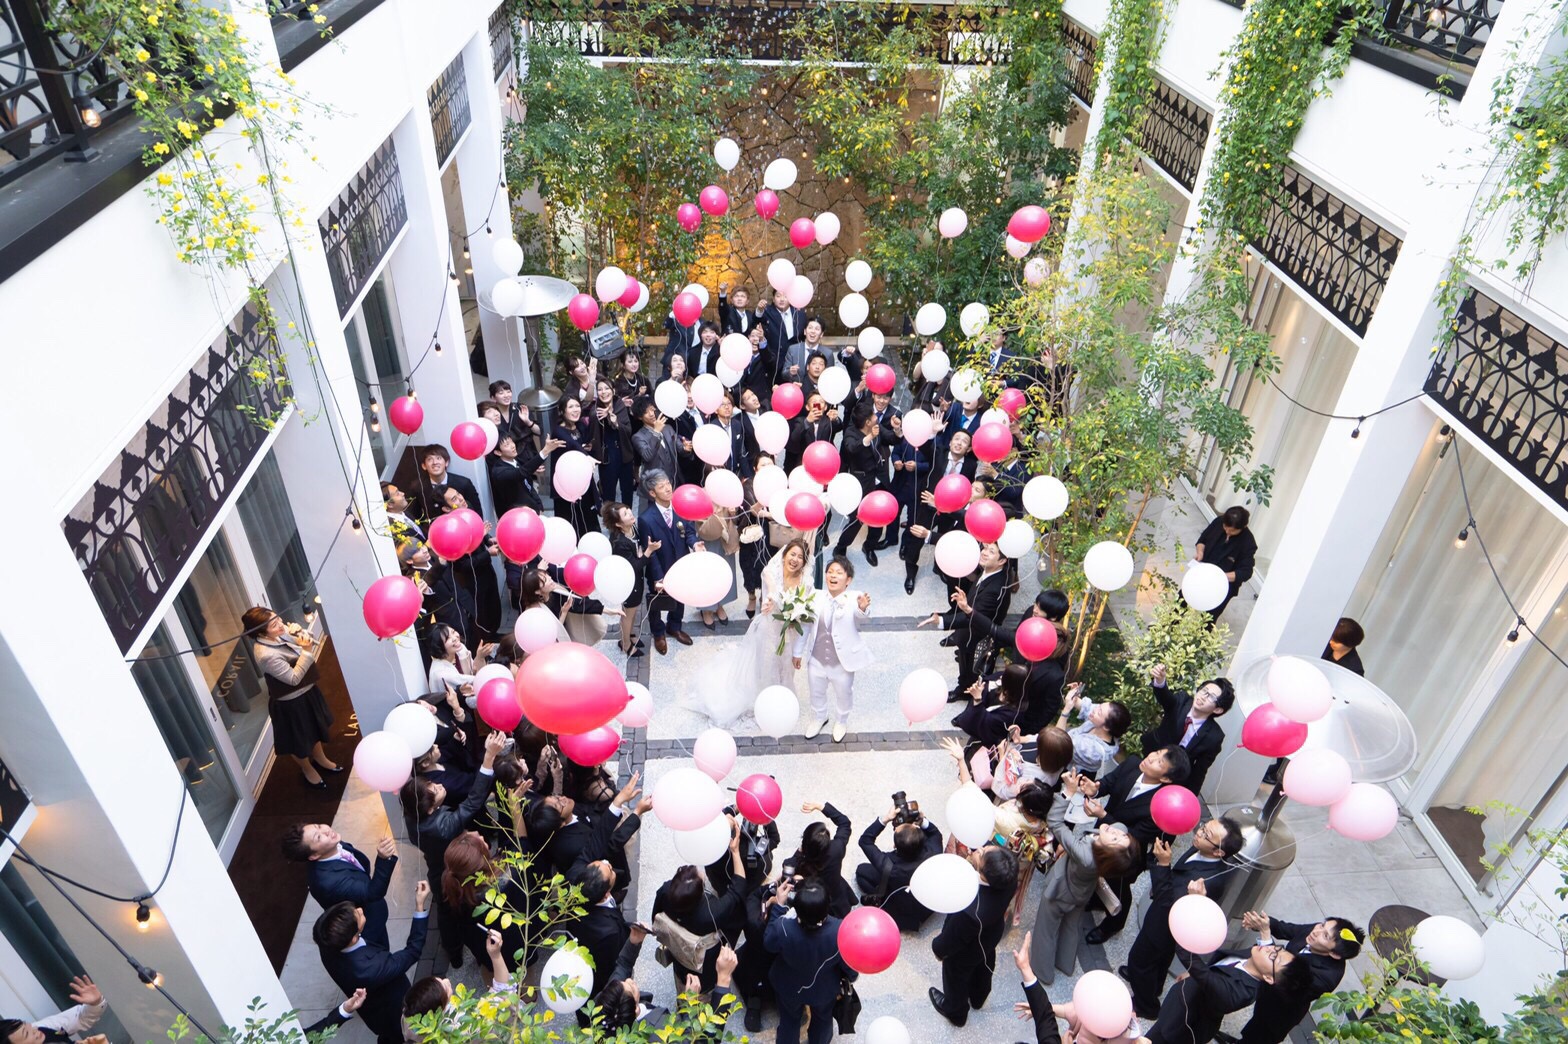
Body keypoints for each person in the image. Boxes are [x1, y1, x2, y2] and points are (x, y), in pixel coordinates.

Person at [401, 730, 506, 967]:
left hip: (436, 865)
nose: (439, 786)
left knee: (445, 912)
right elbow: (471, 803)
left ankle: (454, 953)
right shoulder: (442, 827)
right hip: (451, 871)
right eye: (435, 790)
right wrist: (489, 758)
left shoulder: (412, 810)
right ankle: (465, 947)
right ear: (430, 810)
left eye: (433, 784)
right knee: (460, 908)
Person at [1122, 820, 1247, 1019]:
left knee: (1140, 960)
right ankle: (1154, 987)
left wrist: (1163, 864)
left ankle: (1146, 1006)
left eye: (1206, 835)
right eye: (1203, 827)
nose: (1198, 832)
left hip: (1166, 925)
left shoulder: (1208, 880)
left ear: (1218, 852)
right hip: (1167, 922)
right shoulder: (1201, 848)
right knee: (1159, 960)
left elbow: (1167, 902)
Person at [1028, 770, 1142, 982]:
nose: (1116, 832)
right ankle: (1065, 964)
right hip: (1082, 893)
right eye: (1121, 836)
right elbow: (1120, 826)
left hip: (1061, 891)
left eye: (1116, 839)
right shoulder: (1111, 855)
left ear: (1109, 854)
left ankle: (1042, 972)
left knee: (1046, 928)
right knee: (1071, 926)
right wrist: (1103, 816)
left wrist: (1068, 793)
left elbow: (1055, 823)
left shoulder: (1086, 856)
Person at [1083, 746, 1193, 943]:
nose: (1151, 758)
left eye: (1159, 762)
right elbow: (1110, 781)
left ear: (1166, 778)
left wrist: (1103, 815)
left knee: (1119, 887)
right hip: (1106, 832)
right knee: (1097, 869)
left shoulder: (1160, 806)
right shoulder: (1133, 763)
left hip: (1129, 852)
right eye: (1156, 753)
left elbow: (1134, 835)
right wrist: (1096, 788)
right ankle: (1096, 899)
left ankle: (1113, 925)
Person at [704, 536, 810, 725]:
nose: (795, 559)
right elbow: (771, 590)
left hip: (789, 633)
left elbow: (806, 612)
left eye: (800, 557)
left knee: (786, 668)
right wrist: (771, 599)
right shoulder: (771, 572)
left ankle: (784, 701)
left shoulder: (806, 582)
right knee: (767, 666)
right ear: (784, 555)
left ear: (804, 562)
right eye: (792, 554)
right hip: (769, 630)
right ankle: (765, 704)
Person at [313, 881, 431, 1044]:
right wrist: (419, 906)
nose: (361, 910)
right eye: (358, 915)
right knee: (398, 1036)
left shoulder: (327, 940)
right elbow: (413, 951)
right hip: (392, 1013)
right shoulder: (369, 969)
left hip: (373, 1009)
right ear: (353, 938)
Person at [243, 607, 338, 789]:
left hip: (308, 691)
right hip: (291, 702)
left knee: (315, 728)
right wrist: (306, 651)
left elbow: (312, 641)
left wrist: (300, 633)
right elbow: (293, 679)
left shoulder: (280, 632)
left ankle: (321, 759)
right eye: (274, 624)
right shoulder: (265, 655)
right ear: (261, 633)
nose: (281, 624)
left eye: (277, 619)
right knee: (299, 741)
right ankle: (307, 768)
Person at [1234, 912, 1363, 1044]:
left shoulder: (1326, 977)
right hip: (1266, 987)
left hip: (1280, 1009)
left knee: (1259, 1037)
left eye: (1325, 936)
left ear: (1334, 954)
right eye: (1322, 925)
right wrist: (1261, 922)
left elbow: (1285, 978)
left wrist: (1266, 935)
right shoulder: (1316, 932)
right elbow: (1286, 929)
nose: (1316, 931)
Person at [1145, 943, 1308, 1044]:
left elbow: (1201, 972)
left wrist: (1181, 933)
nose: (1270, 949)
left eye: (1274, 957)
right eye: (1278, 948)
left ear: (1269, 978)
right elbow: (1209, 971)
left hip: (1181, 1026)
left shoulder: (1237, 994)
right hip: (1185, 1000)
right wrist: (1193, 976)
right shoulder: (1254, 955)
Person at [929, 845, 1019, 1027]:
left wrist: (938, 949)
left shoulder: (970, 911)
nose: (979, 849)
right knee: (984, 965)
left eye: (982, 852)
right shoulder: (1009, 878)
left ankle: (956, 1013)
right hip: (991, 935)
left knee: (955, 976)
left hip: (966, 950)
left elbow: (951, 939)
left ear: (985, 874)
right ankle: (978, 998)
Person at [651, 827, 748, 991]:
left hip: (679, 953)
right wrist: (735, 852)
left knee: (681, 975)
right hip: (704, 966)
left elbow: (655, 915)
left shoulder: (666, 891)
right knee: (704, 988)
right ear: (699, 895)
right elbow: (738, 889)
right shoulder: (711, 913)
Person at [764, 878, 857, 1044]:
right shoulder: (840, 930)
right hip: (824, 989)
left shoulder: (783, 927)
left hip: (788, 986)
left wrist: (778, 906)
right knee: (823, 1019)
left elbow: (769, 944)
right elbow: (848, 963)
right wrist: (851, 976)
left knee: (789, 1020)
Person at [592, 928, 740, 1033]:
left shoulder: (605, 1004)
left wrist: (633, 942)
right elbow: (704, 1039)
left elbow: (622, 966)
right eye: (631, 988)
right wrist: (723, 979)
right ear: (635, 1009)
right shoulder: (660, 1034)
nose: (630, 980)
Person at [791, 556, 873, 743]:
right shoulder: (815, 596)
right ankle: (820, 717)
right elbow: (806, 625)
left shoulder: (855, 598)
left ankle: (841, 720)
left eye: (838, 573)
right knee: (816, 691)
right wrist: (797, 652)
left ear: (848, 580)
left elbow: (861, 617)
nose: (833, 576)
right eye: (830, 572)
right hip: (817, 659)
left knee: (844, 693)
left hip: (842, 662)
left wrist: (862, 609)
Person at [281, 824, 399, 949]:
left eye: (319, 826)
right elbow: (373, 892)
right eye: (318, 837)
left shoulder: (333, 845)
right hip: (366, 924)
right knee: (380, 951)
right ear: (314, 856)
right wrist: (383, 859)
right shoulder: (328, 882)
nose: (326, 831)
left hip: (368, 905)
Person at [918, 542, 1011, 697]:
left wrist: (942, 621)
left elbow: (974, 618)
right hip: (967, 634)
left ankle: (967, 694)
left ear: (1002, 561)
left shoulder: (996, 588)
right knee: (964, 662)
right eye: (985, 548)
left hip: (977, 637)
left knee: (974, 671)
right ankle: (963, 685)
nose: (984, 552)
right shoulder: (989, 571)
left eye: (991, 551)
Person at [1139, 665, 1235, 795]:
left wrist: (1190, 796)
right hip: (1149, 755)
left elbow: (1199, 771)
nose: (1203, 696)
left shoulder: (1214, 737)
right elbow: (1166, 698)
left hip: (1172, 777)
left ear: (1218, 709)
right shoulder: (1182, 700)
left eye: (1211, 697)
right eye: (1204, 690)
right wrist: (1160, 681)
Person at [901, 429, 976, 595]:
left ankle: (939, 566)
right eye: (956, 439)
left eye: (964, 441)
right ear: (950, 442)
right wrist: (932, 432)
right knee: (916, 538)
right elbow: (924, 446)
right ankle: (911, 572)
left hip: (951, 511)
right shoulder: (939, 453)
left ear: (969, 449)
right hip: (928, 505)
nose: (959, 443)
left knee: (943, 538)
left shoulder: (971, 465)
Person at [637, 469, 703, 655]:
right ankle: (658, 633)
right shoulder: (646, 519)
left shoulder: (680, 508)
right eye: (661, 486)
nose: (668, 488)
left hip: (680, 564)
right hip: (659, 566)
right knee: (657, 601)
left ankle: (674, 626)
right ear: (652, 493)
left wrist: (694, 544)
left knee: (680, 596)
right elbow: (650, 552)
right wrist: (658, 577)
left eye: (667, 483)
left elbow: (688, 531)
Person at [853, 801, 943, 931]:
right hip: (924, 906)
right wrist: (922, 820)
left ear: (895, 845)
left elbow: (865, 841)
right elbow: (935, 833)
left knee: (861, 871)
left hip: (899, 909)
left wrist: (885, 819)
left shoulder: (889, 865)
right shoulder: (934, 851)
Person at [832, 403, 889, 563]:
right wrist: (869, 437)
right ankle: (841, 547)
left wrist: (897, 431)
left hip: (878, 478)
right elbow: (851, 448)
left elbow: (891, 437)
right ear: (867, 422)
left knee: (878, 516)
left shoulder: (877, 427)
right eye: (873, 415)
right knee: (857, 519)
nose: (876, 416)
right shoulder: (851, 432)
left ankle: (869, 546)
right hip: (861, 482)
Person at [789, 800, 855, 917]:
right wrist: (821, 807)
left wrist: (799, 852)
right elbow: (844, 823)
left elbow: (788, 865)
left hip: (817, 900)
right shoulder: (837, 848)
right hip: (836, 893)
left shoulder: (803, 862)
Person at [602, 501, 651, 657]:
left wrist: (641, 554)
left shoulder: (632, 528)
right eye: (625, 514)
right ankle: (626, 644)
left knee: (633, 610)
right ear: (618, 524)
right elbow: (635, 566)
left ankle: (629, 635)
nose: (630, 513)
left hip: (636, 580)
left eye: (628, 510)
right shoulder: (620, 543)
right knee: (628, 614)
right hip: (628, 583)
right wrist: (648, 552)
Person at [1193, 506, 1257, 621]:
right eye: (1225, 527)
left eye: (1232, 531)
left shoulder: (1248, 543)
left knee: (1207, 619)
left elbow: (1246, 572)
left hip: (1224, 585)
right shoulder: (1219, 522)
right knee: (1183, 600)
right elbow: (1202, 540)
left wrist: (1220, 576)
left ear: (1244, 527)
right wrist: (1200, 552)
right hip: (1204, 572)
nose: (1227, 532)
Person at [0, 976, 105, 1044]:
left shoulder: (43, 1029)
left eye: (26, 1024)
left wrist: (95, 1003)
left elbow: (80, 1018)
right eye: (27, 1034)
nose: (35, 1029)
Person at [631, 397, 681, 515]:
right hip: (655, 486)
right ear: (640, 417)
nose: (651, 414)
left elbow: (679, 448)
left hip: (673, 480)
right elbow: (647, 456)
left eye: (652, 409)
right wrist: (656, 432)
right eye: (646, 412)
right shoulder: (638, 437)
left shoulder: (667, 428)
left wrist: (686, 447)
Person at [593, 377, 636, 505]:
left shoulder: (619, 404)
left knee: (627, 490)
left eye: (607, 388)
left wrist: (615, 421)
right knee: (608, 493)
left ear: (613, 390)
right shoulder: (596, 409)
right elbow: (592, 429)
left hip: (624, 452)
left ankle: (628, 515)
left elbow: (628, 430)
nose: (603, 392)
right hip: (608, 456)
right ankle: (609, 517)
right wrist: (603, 417)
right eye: (600, 389)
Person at [425, 624, 496, 696]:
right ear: (439, 646)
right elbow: (475, 680)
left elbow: (475, 671)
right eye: (448, 638)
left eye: (453, 632)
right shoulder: (440, 672)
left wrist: (480, 657)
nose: (454, 638)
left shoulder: (460, 650)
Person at [761, 288, 807, 384]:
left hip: (795, 362)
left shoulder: (800, 313)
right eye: (778, 296)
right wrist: (758, 310)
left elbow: (803, 337)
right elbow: (755, 320)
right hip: (774, 363)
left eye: (785, 296)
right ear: (773, 299)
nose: (782, 299)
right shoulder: (766, 312)